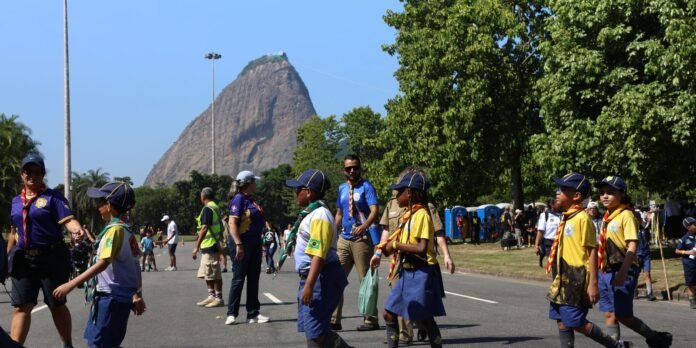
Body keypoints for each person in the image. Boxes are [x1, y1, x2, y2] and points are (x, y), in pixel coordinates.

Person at [52, 181, 145, 348]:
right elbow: (135, 266)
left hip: (110, 298)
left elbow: (103, 263)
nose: (98, 207)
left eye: (100, 203)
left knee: (99, 344)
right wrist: (137, 294)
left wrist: (71, 283)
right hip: (116, 297)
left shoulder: (115, 231)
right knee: (106, 342)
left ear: (109, 205)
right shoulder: (124, 230)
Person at [7, 154, 87, 347]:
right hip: (23, 260)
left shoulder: (53, 197)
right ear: (22, 175)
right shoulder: (16, 201)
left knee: (56, 304)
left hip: (51, 258)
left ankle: (67, 344)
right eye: (28, 171)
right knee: (21, 307)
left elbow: (68, 220)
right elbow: (13, 232)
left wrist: (77, 230)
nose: (31, 175)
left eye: (36, 172)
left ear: (43, 174)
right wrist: (6, 257)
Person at [546, 172, 630, 348]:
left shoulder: (583, 219)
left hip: (576, 279)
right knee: (560, 319)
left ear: (576, 196)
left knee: (576, 322)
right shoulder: (567, 217)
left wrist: (593, 283)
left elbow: (592, 251)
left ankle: (615, 345)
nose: (558, 192)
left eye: (563, 189)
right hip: (562, 277)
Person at [373, 167, 454, 344]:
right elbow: (395, 237)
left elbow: (421, 248)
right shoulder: (409, 215)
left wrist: (394, 245)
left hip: (421, 272)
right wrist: (385, 249)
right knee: (388, 313)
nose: (396, 195)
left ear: (409, 193)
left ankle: (436, 344)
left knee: (424, 318)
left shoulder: (422, 215)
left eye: (399, 191)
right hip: (407, 271)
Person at [596, 176, 672, 347]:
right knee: (609, 313)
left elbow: (632, 245)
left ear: (621, 194)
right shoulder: (606, 217)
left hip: (623, 269)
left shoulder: (626, 215)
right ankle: (614, 345)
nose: (605, 196)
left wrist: (623, 271)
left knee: (623, 315)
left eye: (610, 192)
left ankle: (655, 338)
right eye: (602, 193)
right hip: (606, 270)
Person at [286, 169, 350, 348]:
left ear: (308, 191)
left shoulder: (320, 216)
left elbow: (319, 255)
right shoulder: (312, 213)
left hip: (322, 277)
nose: (295, 194)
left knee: (315, 334)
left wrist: (309, 285)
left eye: (298, 189)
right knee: (314, 330)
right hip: (315, 277)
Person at [331, 154, 380, 331]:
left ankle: (371, 319)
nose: (352, 170)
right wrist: (331, 233)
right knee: (336, 278)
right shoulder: (342, 188)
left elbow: (374, 210)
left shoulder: (367, 187)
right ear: (343, 170)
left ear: (360, 168)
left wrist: (364, 226)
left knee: (365, 281)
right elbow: (339, 214)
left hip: (362, 240)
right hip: (344, 239)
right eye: (348, 168)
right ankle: (334, 319)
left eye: (355, 167)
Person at [225, 170, 270, 325]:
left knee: (253, 278)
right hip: (242, 243)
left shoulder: (251, 200)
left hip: (255, 243)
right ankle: (232, 313)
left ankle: (253, 314)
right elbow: (232, 223)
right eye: (254, 181)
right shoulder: (238, 199)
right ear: (248, 183)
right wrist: (238, 244)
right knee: (238, 278)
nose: (256, 184)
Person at [192, 187, 225, 308]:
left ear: (203, 196)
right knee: (207, 272)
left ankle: (219, 297)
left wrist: (196, 246)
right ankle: (211, 295)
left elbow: (205, 227)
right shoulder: (214, 206)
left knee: (214, 272)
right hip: (209, 244)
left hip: (211, 243)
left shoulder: (208, 208)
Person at [636, 208, 656, 301]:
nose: (638, 220)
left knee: (647, 274)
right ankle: (634, 291)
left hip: (646, 254)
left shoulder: (644, 228)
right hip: (636, 255)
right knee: (635, 274)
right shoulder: (632, 230)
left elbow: (649, 219)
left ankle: (649, 293)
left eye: (639, 218)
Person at [535, 200, 562, 272]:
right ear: (552, 204)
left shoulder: (564, 214)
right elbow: (540, 231)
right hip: (550, 244)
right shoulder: (545, 215)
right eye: (558, 203)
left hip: (563, 244)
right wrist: (536, 245)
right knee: (555, 266)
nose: (560, 204)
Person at [676, 217, 696, 309]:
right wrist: (688, 252)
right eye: (694, 225)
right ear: (688, 227)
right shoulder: (684, 239)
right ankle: (692, 299)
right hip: (689, 264)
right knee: (691, 283)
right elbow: (677, 251)